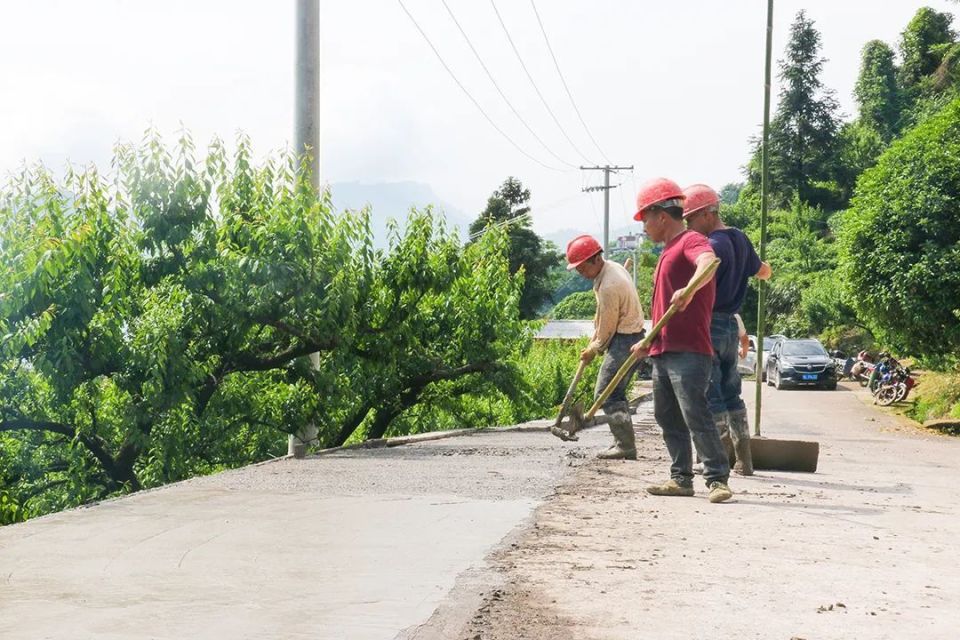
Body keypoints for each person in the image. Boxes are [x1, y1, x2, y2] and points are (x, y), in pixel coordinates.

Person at [629, 178, 732, 503]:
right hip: (663, 349)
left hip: (689, 351)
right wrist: (649, 339)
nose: (644, 226)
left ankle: (717, 479)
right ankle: (680, 479)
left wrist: (689, 290)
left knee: (694, 412)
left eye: (645, 218)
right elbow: (662, 310)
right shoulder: (665, 252)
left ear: (661, 215)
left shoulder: (690, 240)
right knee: (667, 416)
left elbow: (709, 262)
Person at [682, 184, 772, 476]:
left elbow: (696, 288)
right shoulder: (741, 240)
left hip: (709, 323)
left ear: (708, 214)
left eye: (690, 219)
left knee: (711, 393)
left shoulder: (711, 247)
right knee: (732, 391)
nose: (689, 226)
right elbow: (764, 271)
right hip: (731, 324)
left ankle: (714, 459)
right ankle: (744, 460)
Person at [563, 234, 647, 459]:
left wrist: (594, 348)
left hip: (625, 338)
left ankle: (625, 446)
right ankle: (623, 443)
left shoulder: (609, 284)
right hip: (631, 335)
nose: (580, 273)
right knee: (614, 392)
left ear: (595, 260)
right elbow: (604, 316)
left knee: (606, 392)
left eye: (582, 268)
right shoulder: (611, 267)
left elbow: (608, 329)